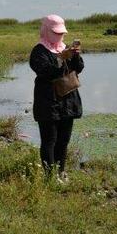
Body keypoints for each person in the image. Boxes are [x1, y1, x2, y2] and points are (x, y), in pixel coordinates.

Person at [29, 14, 84, 184]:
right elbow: (45, 71)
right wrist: (61, 59)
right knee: (49, 140)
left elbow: (79, 68)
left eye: (62, 33)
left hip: (68, 101)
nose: (60, 36)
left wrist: (74, 56)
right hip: (48, 102)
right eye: (56, 32)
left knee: (63, 141)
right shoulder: (39, 51)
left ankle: (61, 172)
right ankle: (49, 177)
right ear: (45, 31)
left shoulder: (64, 47)